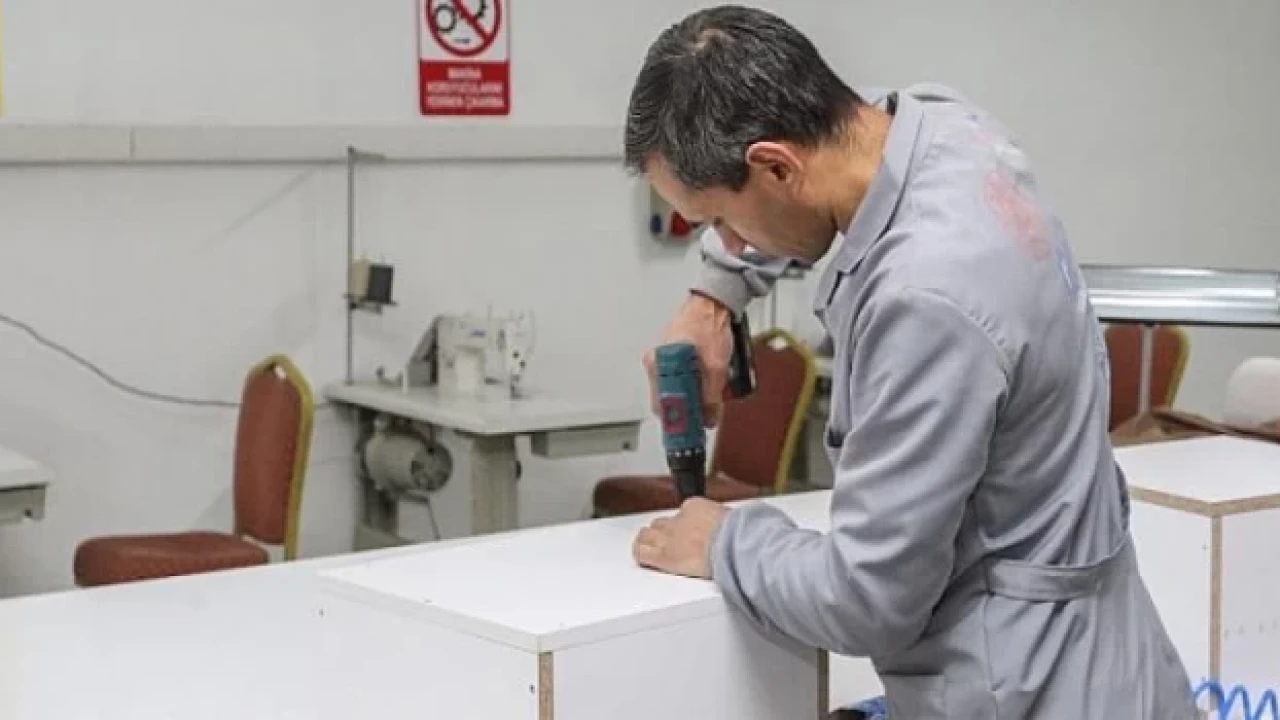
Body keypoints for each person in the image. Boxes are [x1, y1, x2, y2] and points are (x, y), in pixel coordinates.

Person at [622, 5, 1197, 718]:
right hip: (1112, 663)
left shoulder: (924, 301)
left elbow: (866, 599)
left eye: (718, 220)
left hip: (1024, 691)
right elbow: (828, 149)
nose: (727, 242)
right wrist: (713, 296)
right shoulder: (947, 125)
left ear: (775, 166)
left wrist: (727, 540)